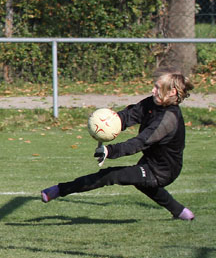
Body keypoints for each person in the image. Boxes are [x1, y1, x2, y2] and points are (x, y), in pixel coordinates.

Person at [41, 70, 195, 221]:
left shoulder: (168, 119)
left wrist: (110, 151)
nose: (152, 90)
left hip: (163, 171)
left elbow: (140, 142)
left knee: (110, 176)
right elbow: (129, 115)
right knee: (143, 185)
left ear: (172, 92)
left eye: (157, 87)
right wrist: (108, 121)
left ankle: (58, 190)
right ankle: (181, 212)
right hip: (150, 162)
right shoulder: (152, 103)